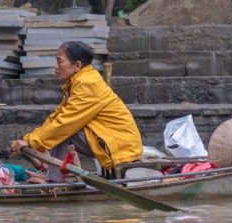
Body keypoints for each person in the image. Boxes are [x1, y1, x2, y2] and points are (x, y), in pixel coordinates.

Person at [9, 41, 142, 182]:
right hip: (113, 142)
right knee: (59, 130)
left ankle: (53, 180)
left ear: (77, 65)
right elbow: (57, 116)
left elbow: (65, 123)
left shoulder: (87, 84)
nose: (56, 66)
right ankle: (52, 175)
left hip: (122, 147)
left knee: (64, 132)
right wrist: (29, 139)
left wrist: (32, 141)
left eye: (60, 62)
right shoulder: (79, 82)